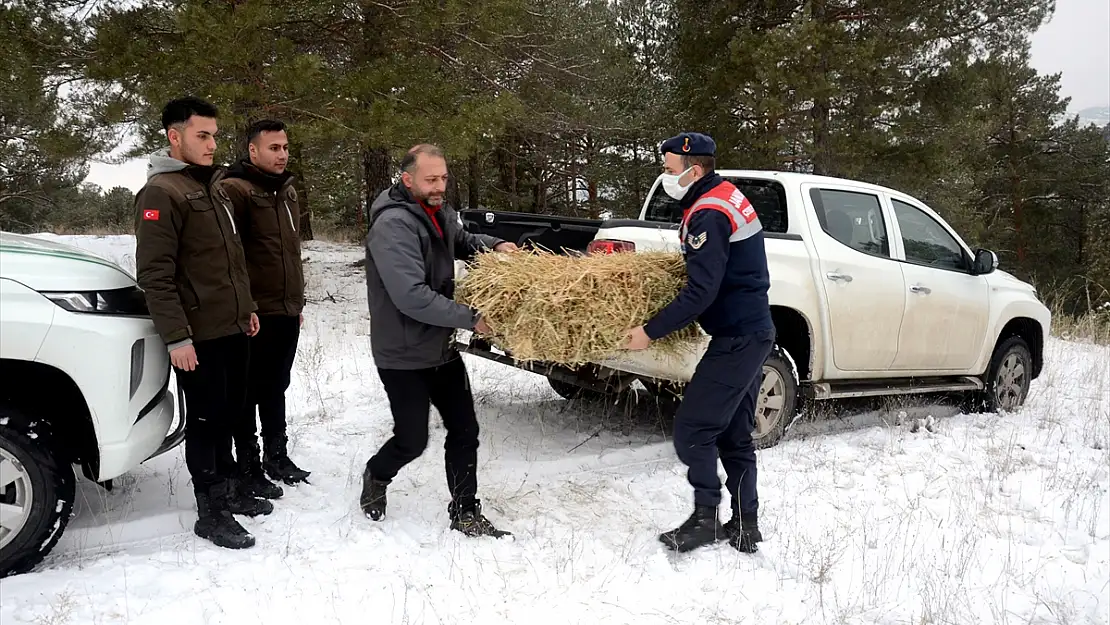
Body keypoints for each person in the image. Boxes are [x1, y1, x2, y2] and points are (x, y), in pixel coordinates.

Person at [622, 132, 775, 554]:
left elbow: (700, 292)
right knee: (734, 435)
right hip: (750, 330)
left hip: (739, 338)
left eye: (670, 169)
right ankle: (745, 525)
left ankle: (705, 518)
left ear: (695, 168)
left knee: (692, 431)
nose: (666, 176)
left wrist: (649, 331)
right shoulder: (722, 195)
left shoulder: (709, 212)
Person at [359, 143, 517, 537]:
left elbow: (460, 239)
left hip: (441, 348)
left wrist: (492, 244)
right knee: (412, 441)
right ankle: (377, 474)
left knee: (465, 431)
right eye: (431, 179)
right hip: (403, 353)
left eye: (443, 178)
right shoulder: (393, 225)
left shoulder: (435, 211)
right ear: (407, 179)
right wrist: (472, 319)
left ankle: (465, 511)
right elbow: (411, 296)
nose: (439, 185)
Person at [135, 96, 271, 550]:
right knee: (208, 421)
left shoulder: (211, 186)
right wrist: (176, 336)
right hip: (199, 336)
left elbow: (229, 260)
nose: (213, 144)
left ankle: (230, 489)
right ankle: (210, 511)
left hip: (232, 325)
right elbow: (155, 273)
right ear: (174, 137)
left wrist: (247, 307)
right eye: (202, 135)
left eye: (214, 135)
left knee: (233, 413)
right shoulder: (162, 192)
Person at [218, 119, 311, 497]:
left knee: (277, 385)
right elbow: (231, 257)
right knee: (247, 391)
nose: (282, 154)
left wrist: (296, 301)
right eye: (274, 148)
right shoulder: (235, 190)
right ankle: (248, 462)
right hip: (255, 312)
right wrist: (246, 306)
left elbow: (289, 251)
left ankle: (277, 455)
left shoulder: (287, 191)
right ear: (252, 150)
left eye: (285, 147)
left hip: (285, 308)